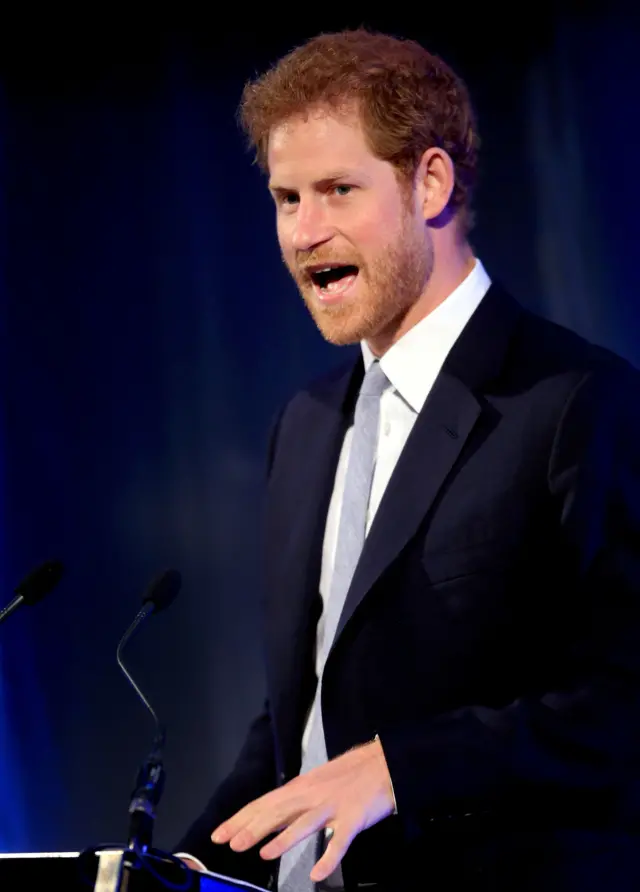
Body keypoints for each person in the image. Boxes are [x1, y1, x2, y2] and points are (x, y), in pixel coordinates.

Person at [175, 28, 640, 892]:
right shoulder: (306, 424)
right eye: (286, 198)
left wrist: (402, 767)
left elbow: (623, 707)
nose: (303, 232)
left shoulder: (579, 402)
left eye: (337, 191)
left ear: (431, 182)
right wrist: (183, 866)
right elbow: (302, 719)